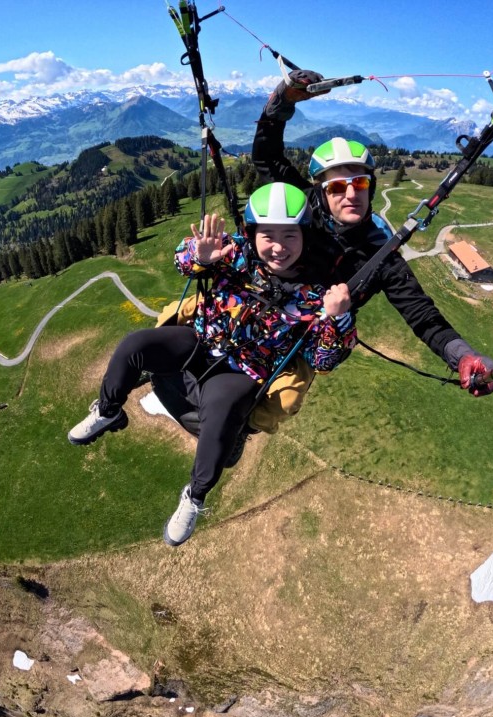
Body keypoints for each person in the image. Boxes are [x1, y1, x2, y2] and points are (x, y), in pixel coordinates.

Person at [67, 182, 357, 546]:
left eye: (290, 235)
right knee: (134, 345)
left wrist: (336, 320)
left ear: (305, 235)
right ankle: (109, 411)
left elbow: (323, 360)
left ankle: (195, 495)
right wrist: (199, 258)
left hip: (246, 368)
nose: (279, 247)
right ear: (252, 233)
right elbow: (182, 262)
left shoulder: (317, 294)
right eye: (268, 235)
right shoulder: (234, 253)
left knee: (221, 409)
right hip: (201, 340)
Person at [252, 69, 493, 399]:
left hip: (311, 339)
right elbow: (266, 158)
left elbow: (423, 316)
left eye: (361, 183)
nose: (351, 194)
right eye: (338, 186)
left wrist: (463, 356)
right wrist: (280, 102)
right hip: (262, 304)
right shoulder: (305, 204)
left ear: (372, 187)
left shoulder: (380, 254)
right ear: (322, 192)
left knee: (274, 402)